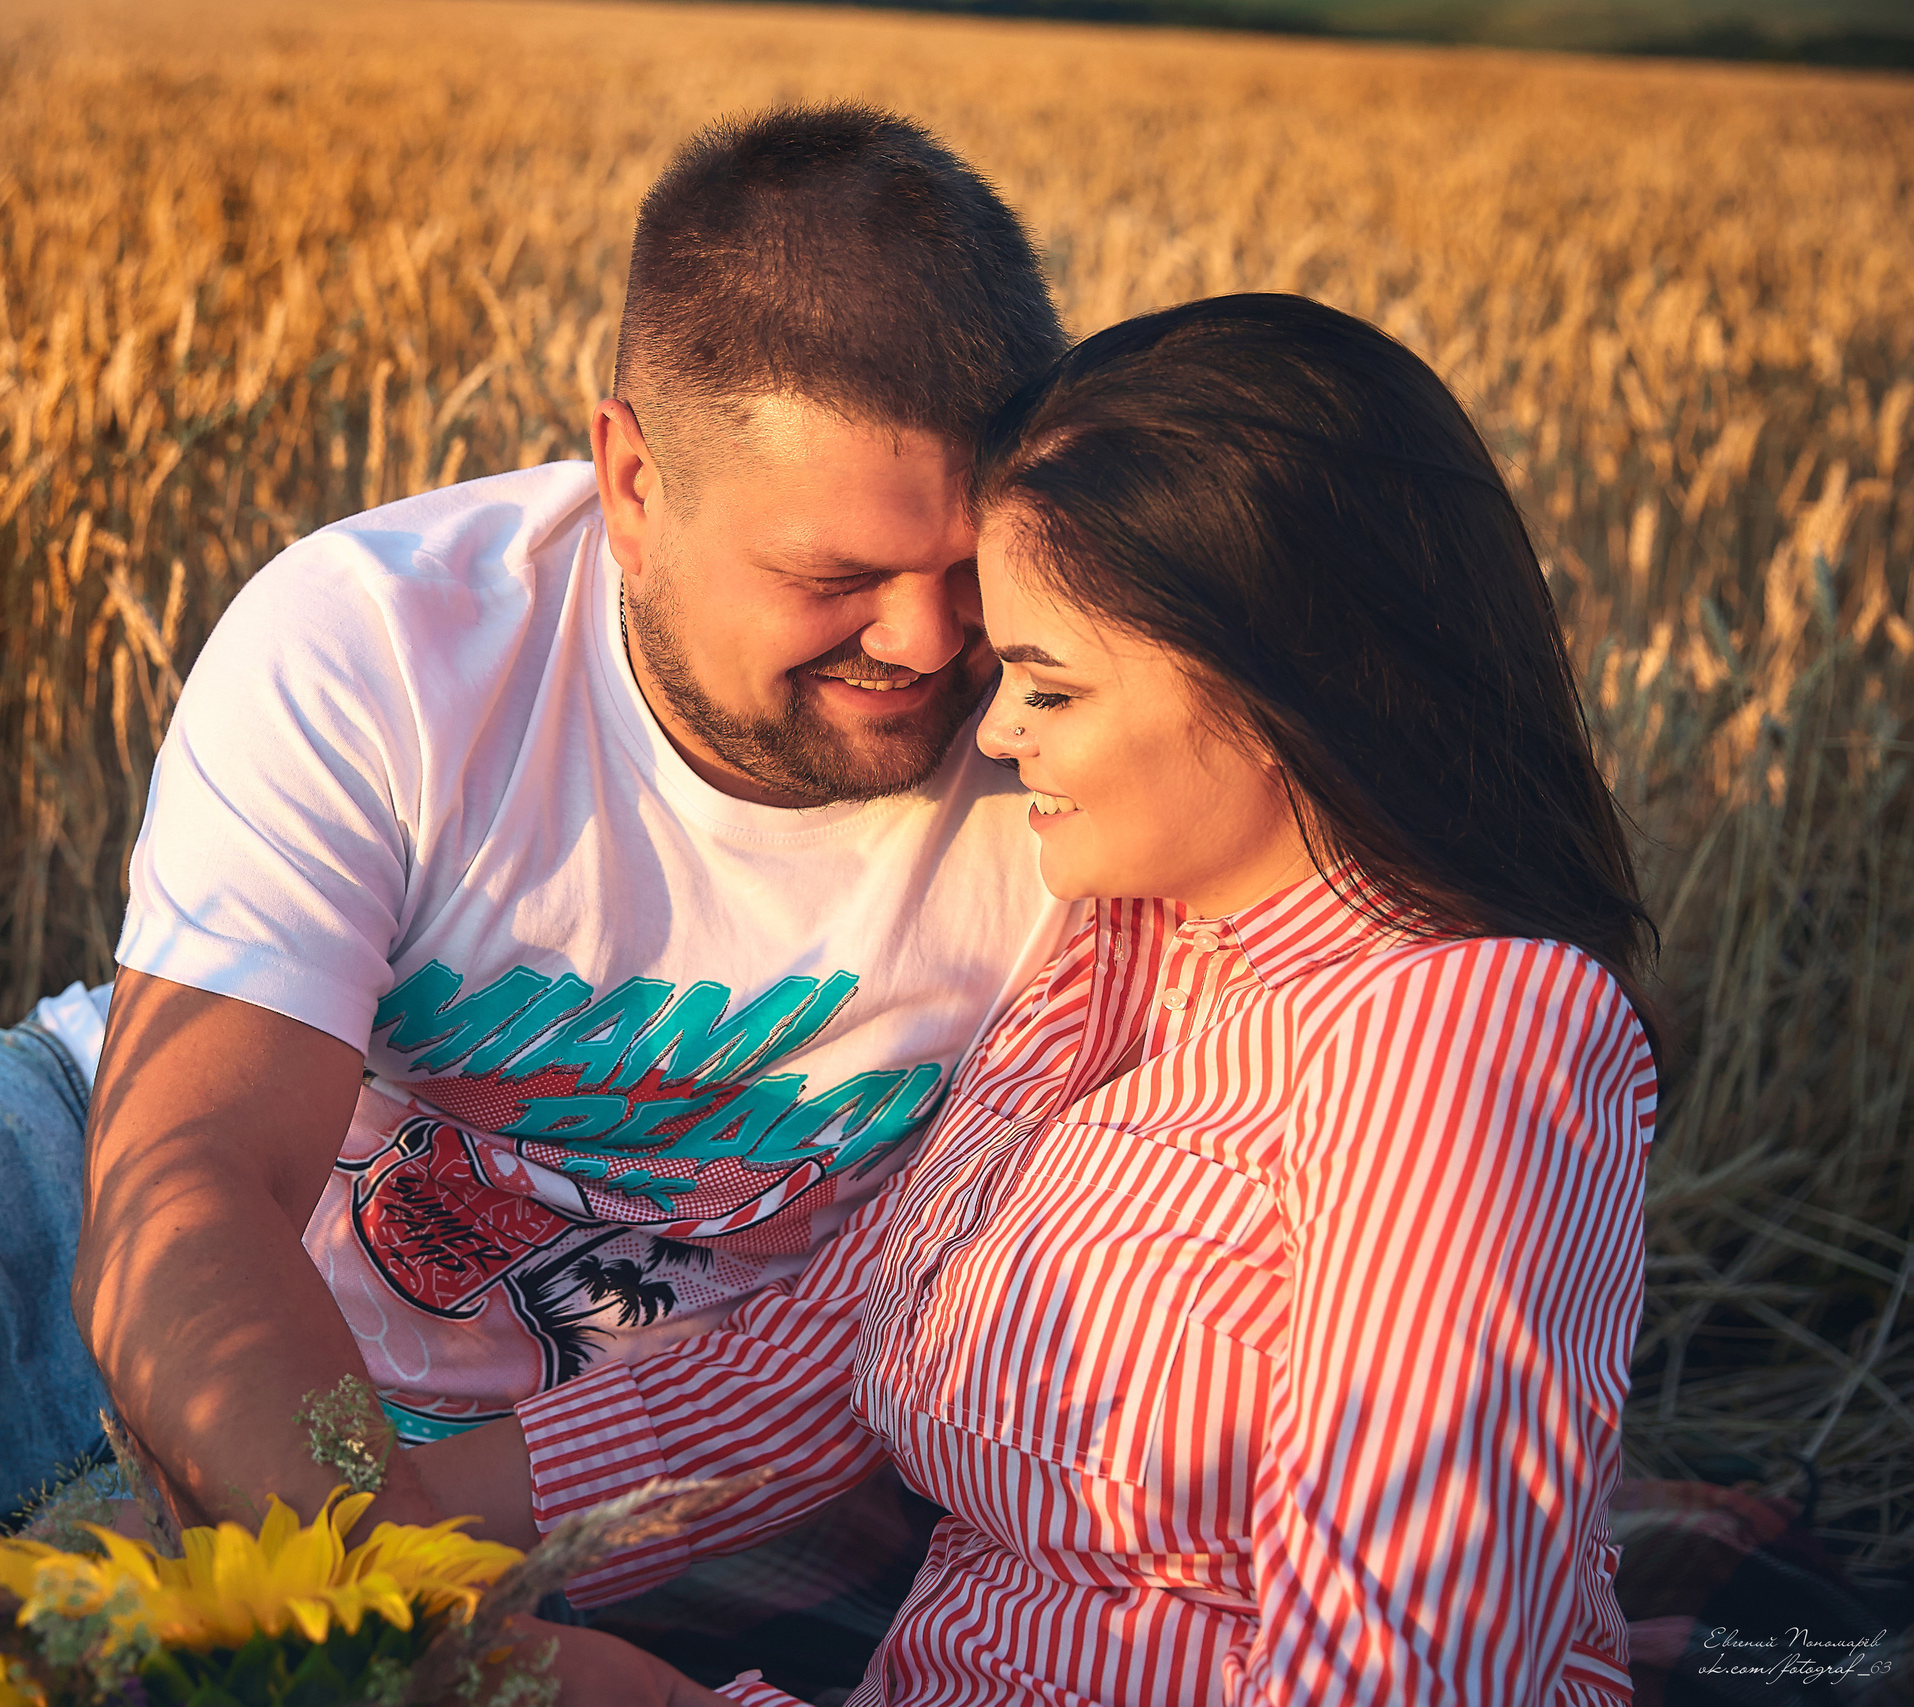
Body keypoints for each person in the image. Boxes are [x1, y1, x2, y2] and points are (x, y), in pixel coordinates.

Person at [0, 103, 1062, 1697]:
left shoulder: (1081, 737)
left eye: (964, 567)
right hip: (134, 1215)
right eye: (834, 577)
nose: (926, 643)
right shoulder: (382, 638)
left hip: (603, 1432)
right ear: (630, 479)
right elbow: (192, 1179)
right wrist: (384, 1612)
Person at [511, 294, 1661, 1705]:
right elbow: (819, 1363)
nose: (989, 732)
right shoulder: (1113, 958)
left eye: (1048, 686)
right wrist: (370, 1532)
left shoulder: (1464, 1031)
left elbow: (1391, 1668)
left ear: (1282, 692)